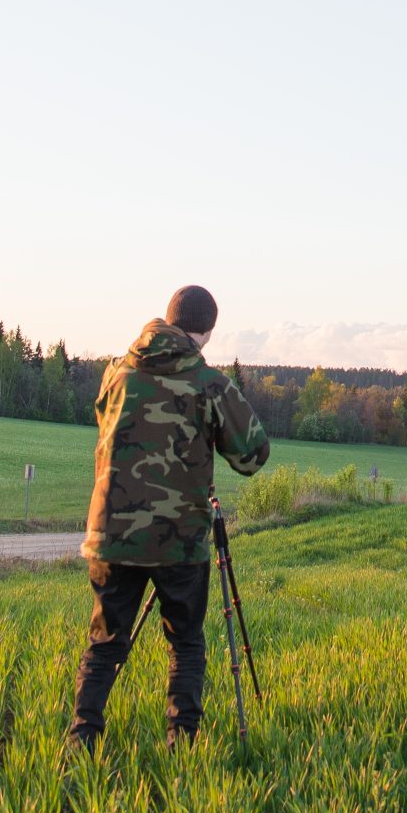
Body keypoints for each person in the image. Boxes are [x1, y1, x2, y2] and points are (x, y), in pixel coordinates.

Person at [67, 284, 270, 752]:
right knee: (185, 642)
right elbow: (252, 456)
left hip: (112, 533)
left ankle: (82, 739)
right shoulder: (209, 383)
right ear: (205, 332)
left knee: (105, 641)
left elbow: (105, 421)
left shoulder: (116, 372)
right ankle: (181, 743)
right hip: (179, 539)